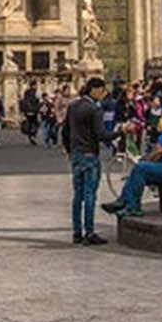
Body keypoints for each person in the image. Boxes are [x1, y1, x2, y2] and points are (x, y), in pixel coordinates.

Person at [64, 76, 110, 246]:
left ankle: (77, 232)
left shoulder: (73, 106)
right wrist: (121, 132)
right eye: (102, 91)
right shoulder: (94, 109)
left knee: (78, 195)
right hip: (90, 154)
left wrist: (70, 151)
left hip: (76, 154)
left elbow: (65, 131)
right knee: (90, 194)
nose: (104, 94)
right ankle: (89, 231)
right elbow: (101, 135)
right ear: (94, 90)